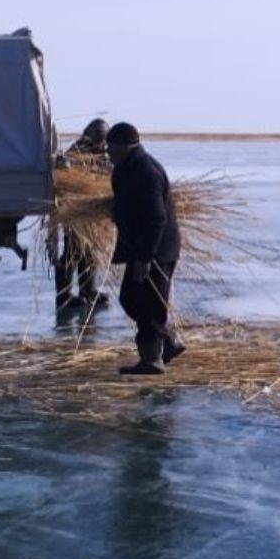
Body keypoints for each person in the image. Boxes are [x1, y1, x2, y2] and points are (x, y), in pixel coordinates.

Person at [106, 122, 183, 375]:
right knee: (129, 298)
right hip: (139, 247)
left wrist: (145, 257)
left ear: (126, 147)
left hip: (158, 249)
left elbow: (157, 219)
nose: (107, 152)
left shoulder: (147, 172)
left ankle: (153, 359)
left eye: (111, 147)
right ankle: (168, 341)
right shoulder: (122, 171)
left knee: (150, 303)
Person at [52, 118, 111, 312]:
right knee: (73, 250)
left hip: (92, 211)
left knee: (90, 250)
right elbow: (64, 175)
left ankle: (88, 289)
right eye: (101, 138)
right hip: (75, 211)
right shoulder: (76, 153)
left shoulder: (102, 154)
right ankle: (64, 295)